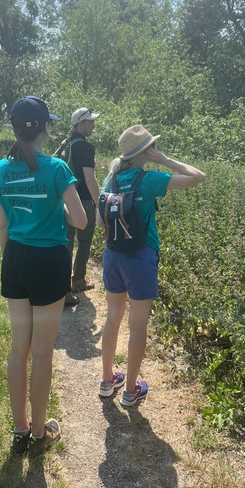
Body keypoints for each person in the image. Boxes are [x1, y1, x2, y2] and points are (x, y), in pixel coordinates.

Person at [0, 96, 87, 456]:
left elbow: (3, 224)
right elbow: (79, 221)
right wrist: (55, 201)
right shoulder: (57, 168)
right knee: (42, 354)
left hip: (14, 258)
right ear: (46, 127)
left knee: (19, 349)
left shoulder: (1, 168)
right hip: (48, 261)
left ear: (17, 129)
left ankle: (19, 429)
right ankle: (38, 431)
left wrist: (12, 261)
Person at [97, 125, 206, 406]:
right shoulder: (149, 179)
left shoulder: (111, 179)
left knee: (112, 317)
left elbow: (100, 222)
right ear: (146, 151)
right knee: (137, 325)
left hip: (113, 255)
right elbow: (197, 177)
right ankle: (131, 390)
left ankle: (107, 380)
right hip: (140, 257)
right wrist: (165, 160)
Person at [63, 107, 101, 306]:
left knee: (66, 243)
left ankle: (63, 288)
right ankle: (77, 280)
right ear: (80, 124)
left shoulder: (65, 144)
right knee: (84, 241)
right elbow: (89, 178)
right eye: (90, 122)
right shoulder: (86, 148)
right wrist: (101, 202)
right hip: (83, 202)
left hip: (64, 201)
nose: (93, 125)